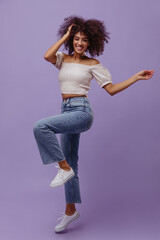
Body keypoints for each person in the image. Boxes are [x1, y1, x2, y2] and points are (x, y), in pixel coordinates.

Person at [33, 15, 154, 233]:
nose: (79, 43)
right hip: (66, 110)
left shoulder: (93, 64)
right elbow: (47, 55)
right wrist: (66, 35)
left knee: (41, 127)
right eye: (77, 39)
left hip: (81, 111)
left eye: (84, 40)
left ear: (91, 43)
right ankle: (70, 210)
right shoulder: (63, 59)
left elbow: (111, 89)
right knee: (72, 163)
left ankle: (63, 168)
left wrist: (135, 77)